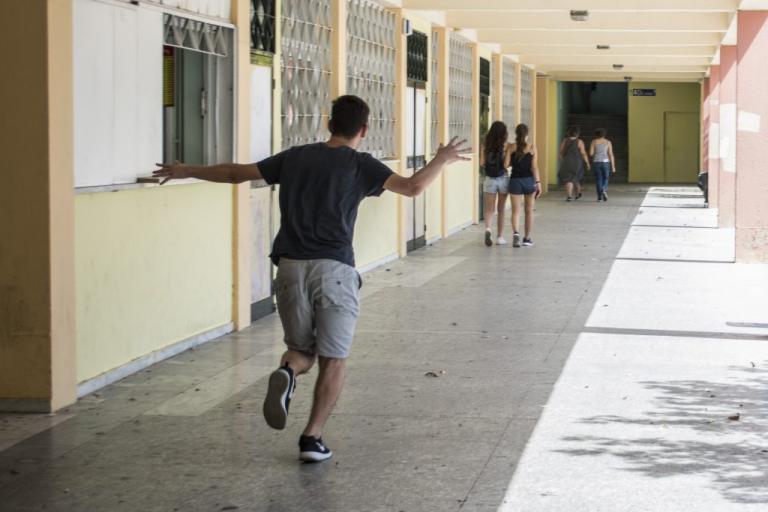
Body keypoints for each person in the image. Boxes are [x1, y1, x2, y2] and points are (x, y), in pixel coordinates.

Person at [152, 95, 468, 462]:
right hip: (334, 271)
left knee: (302, 352)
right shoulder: (360, 164)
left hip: (289, 268)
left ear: (329, 124)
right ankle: (312, 438)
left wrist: (187, 170)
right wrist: (441, 159)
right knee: (334, 358)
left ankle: (288, 372)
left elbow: (237, 174)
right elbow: (412, 187)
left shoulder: (295, 157)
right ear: (364, 130)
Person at [506, 123, 541, 247]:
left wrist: (513, 159)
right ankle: (527, 238)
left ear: (516, 133)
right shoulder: (532, 147)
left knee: (515, 211)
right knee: (529, 211)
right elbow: (534, 167)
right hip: (529, 181)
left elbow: (506, 165)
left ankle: (516, 233)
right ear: (527, 134)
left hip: (515, 181)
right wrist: (538, 183)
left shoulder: (511, 147)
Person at [480, 121, 510, 246]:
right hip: (503, 178)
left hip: (489, 179)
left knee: (489, 209)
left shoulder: (485, 145)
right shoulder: (506, 145)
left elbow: (482, 162)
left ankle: (488, 229)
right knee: (501, 209)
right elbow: (506, 164)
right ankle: (500, 237)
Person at [558, 126, 590, 202]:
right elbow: (583, 153)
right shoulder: (580, 142)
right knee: (576, 178)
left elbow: (560, 153)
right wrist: (587, 162)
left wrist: (562, 160)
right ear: (578, 133)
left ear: (569, 133)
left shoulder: (565, 141)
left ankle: (569, 196)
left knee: (568, 179)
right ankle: (578, 193)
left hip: (567, 162)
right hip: (577, 163)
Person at [589, 128, 616, 201]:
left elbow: (591, 153)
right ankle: (604, 189)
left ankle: (599, 197)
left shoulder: (594, 142)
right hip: (605, 162)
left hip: (596, 162)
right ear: (604, 135)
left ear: (596, 135)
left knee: (598, 179)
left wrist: (596, 152)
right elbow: (611, 154)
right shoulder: (608, 142)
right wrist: (613, 166)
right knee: (606, 178)